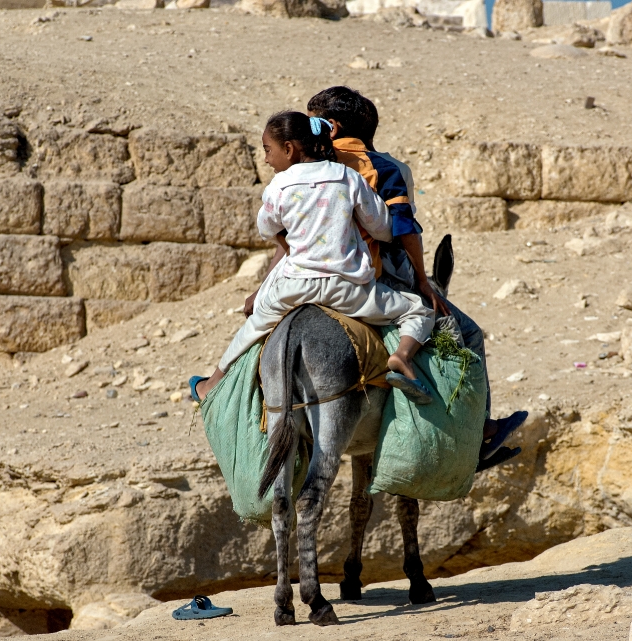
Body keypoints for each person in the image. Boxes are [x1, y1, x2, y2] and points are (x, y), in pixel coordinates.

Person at [305, 86, 528, 459]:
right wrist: (424, 283)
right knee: (466, 331)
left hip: (304, 271)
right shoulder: (386, 168)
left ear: (330, 126)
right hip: (373, 273)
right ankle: (480, 432)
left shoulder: (303, 165)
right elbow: (404, 229)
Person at [191, 110, 435, 405]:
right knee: (418, 310)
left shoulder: (279, 186)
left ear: (289, 149)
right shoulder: (348, 177)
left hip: (294, 287)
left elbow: (265, 227)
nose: (267, 159)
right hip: (347, 290)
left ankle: (211, 385)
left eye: (268, 150)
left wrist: (291, 243)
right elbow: (383, 229)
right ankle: (402, 357)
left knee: (253, 327)